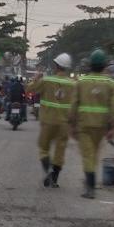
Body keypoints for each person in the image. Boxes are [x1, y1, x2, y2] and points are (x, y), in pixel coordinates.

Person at [70, 49, 114, 199]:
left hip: (84, 126)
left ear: (90, 65)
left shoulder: (81, 82)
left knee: (87, 155)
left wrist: (71, 125)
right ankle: (90, 181)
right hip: (101, 126)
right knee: (94, 154)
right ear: (104, 66)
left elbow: (74, 105)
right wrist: (113, 127)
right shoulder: (111, 83)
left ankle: (90, 187)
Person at [27, 53, 75, 187]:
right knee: (60, 150)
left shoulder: (47, 81)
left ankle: (47, 169)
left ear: (56, 66)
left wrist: (36, 78)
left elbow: (30, 89)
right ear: (67, 68)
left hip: (48, 122)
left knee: (43, 148)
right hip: (64, 124)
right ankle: (54, 179)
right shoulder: (73, 84)